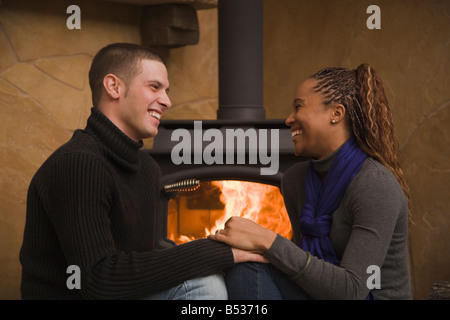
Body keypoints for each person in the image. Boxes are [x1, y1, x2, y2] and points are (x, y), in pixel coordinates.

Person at [19, 43, 266, 300]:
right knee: (203, 285)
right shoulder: (78, 163)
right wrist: (218, 252)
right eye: (154, 87)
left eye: (167, 90)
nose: (167, 101)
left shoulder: (146, 167)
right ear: (114, 87)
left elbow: (140, 270)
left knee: (214, 278)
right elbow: (98, 280)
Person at [209, 64, 413, 300]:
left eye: (298, 107)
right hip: (319, 294)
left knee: (251, 269)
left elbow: (353, 289)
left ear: (336, 113)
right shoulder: (296, 180)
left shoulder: (375, 185)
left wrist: (267, 241)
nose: (288, 119)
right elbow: (304, 269)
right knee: (245, 266)